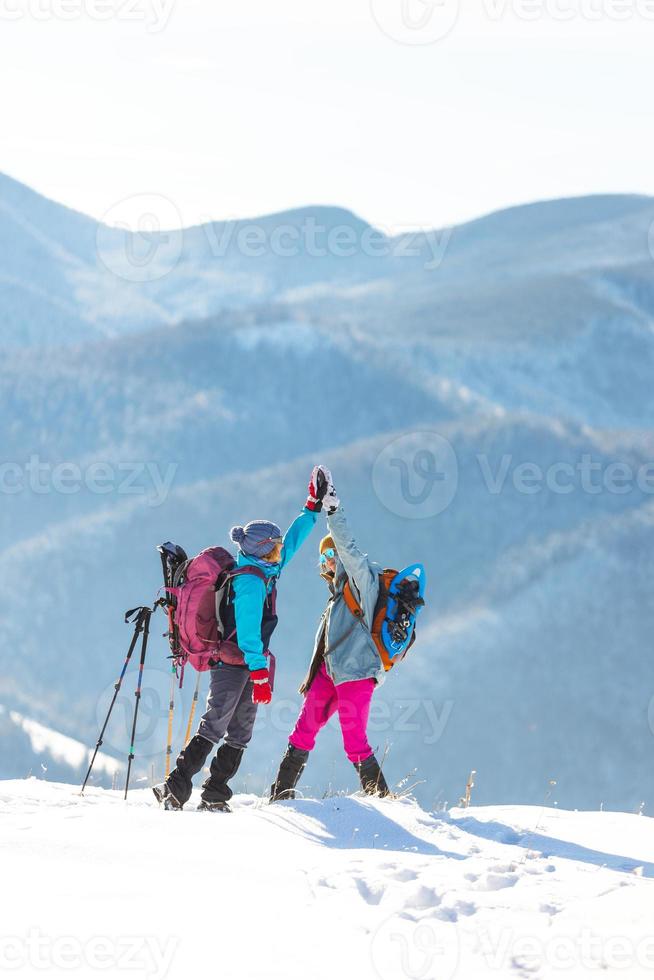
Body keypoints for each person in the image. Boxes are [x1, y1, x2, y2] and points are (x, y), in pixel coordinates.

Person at [153, 465, 330, 812]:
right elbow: (248, 633)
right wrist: (260, 673)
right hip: (233, 662)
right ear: (260, 550)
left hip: (249, 663)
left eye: (278, 550)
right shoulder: (249, 582)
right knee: (216, 723)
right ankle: (175, 788)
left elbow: (292, 543)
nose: (281, 555)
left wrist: (311, 509)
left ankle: (215, 793)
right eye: (274, 550)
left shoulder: (265, 568)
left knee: (241, 731)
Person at [270, 473, 390, 802]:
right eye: (321, 559)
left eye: (329, 557)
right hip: (330, 671)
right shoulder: (336, 597)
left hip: (356, 672)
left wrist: (332, 510)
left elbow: (348, 546)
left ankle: (383, 799)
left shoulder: (362, 579)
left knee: (355, 743)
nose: (325, 564)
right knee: (303, 731)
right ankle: (280, 797)